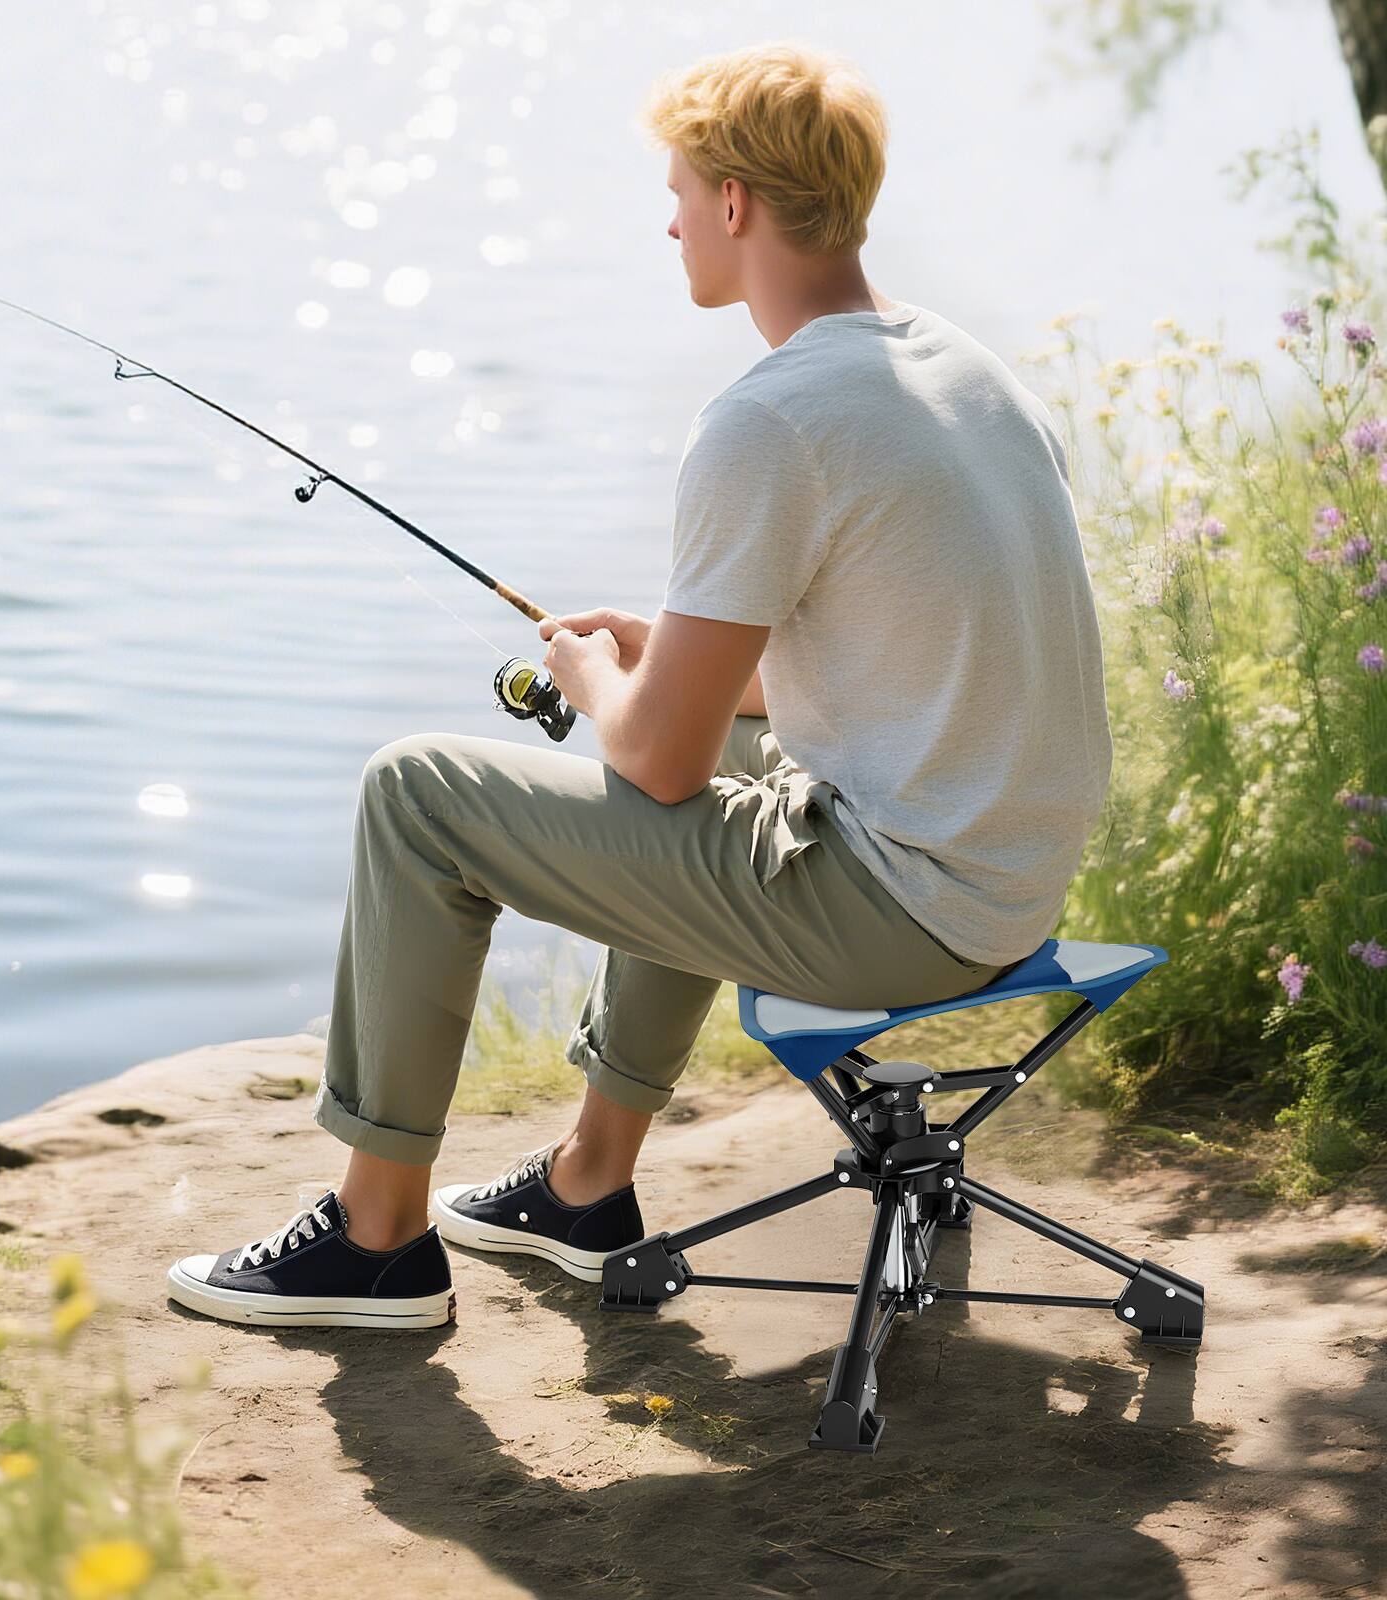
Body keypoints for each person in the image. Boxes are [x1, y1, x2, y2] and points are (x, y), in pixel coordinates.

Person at [165, 41, 1114, 1330]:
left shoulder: (767, 421)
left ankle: (377, 1244)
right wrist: (669, 655)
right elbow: (919, 655)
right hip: (1010, 883)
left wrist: (592, 675)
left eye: (678, 190)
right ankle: (584, 1187)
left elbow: (655, 763)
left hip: (905, 911)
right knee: (712, 724)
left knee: (415, 794)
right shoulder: (961, 371)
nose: (666, 219)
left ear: (735, 203)